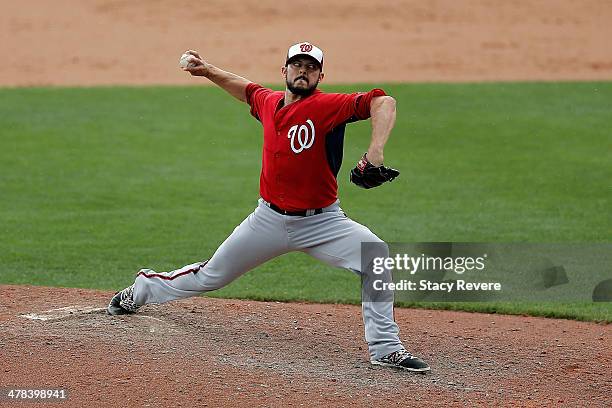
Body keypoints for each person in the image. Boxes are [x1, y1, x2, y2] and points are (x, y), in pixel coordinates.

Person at [107, 42, 430, 372]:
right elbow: (246, 90)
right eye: (296, 65)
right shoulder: (269, 102)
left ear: (320, 75)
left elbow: (383, 101)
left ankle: (385, 347)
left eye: (310, 67)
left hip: (323, 223)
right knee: (210, 276)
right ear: (284, 70)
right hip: (268, 220)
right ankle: (145, 288)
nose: (302, 71)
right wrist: (207, 71)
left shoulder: (329, 107)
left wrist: (375, 152)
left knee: (374, 253)